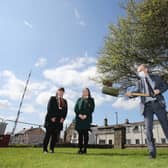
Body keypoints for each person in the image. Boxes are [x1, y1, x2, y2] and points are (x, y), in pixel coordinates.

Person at [125, 64, 168, 159]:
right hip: (147, 107)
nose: (139, 72)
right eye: (138, 71)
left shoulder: (156, 77)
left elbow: (165, 86)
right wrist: (130, 94)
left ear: (146, 69)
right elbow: (136, 92)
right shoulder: (139, 82)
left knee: (166, 126)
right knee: (148, 130)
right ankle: (152, 153)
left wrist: (159, 90)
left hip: (158, 104)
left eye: (140, 70)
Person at [43, 87, 68, 153]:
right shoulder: (52, 98)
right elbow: (49, 108)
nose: (61, 93)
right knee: (48, 135)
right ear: (57, 92)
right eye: (60, 91)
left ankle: (52, 149)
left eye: (62, 92)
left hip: (59, 121)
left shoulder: (65, 101)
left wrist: (63, 118)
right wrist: (51, 117)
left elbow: (65, 111)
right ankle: (45, 149)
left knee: (55, 136)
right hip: (51, 120)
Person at [74, 88, 95, 154]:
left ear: (88, 92)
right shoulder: (79, 99)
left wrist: (85, 115)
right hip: (79, 119)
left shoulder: (91, 100)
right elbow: (76, 108)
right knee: (80, 135)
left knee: (85, 134)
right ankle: (80, 149)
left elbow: (91, 109)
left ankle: (85, 149)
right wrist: (79, 115)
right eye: (83, 91)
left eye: (86, 91)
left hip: (87, 119)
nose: (85, 92)